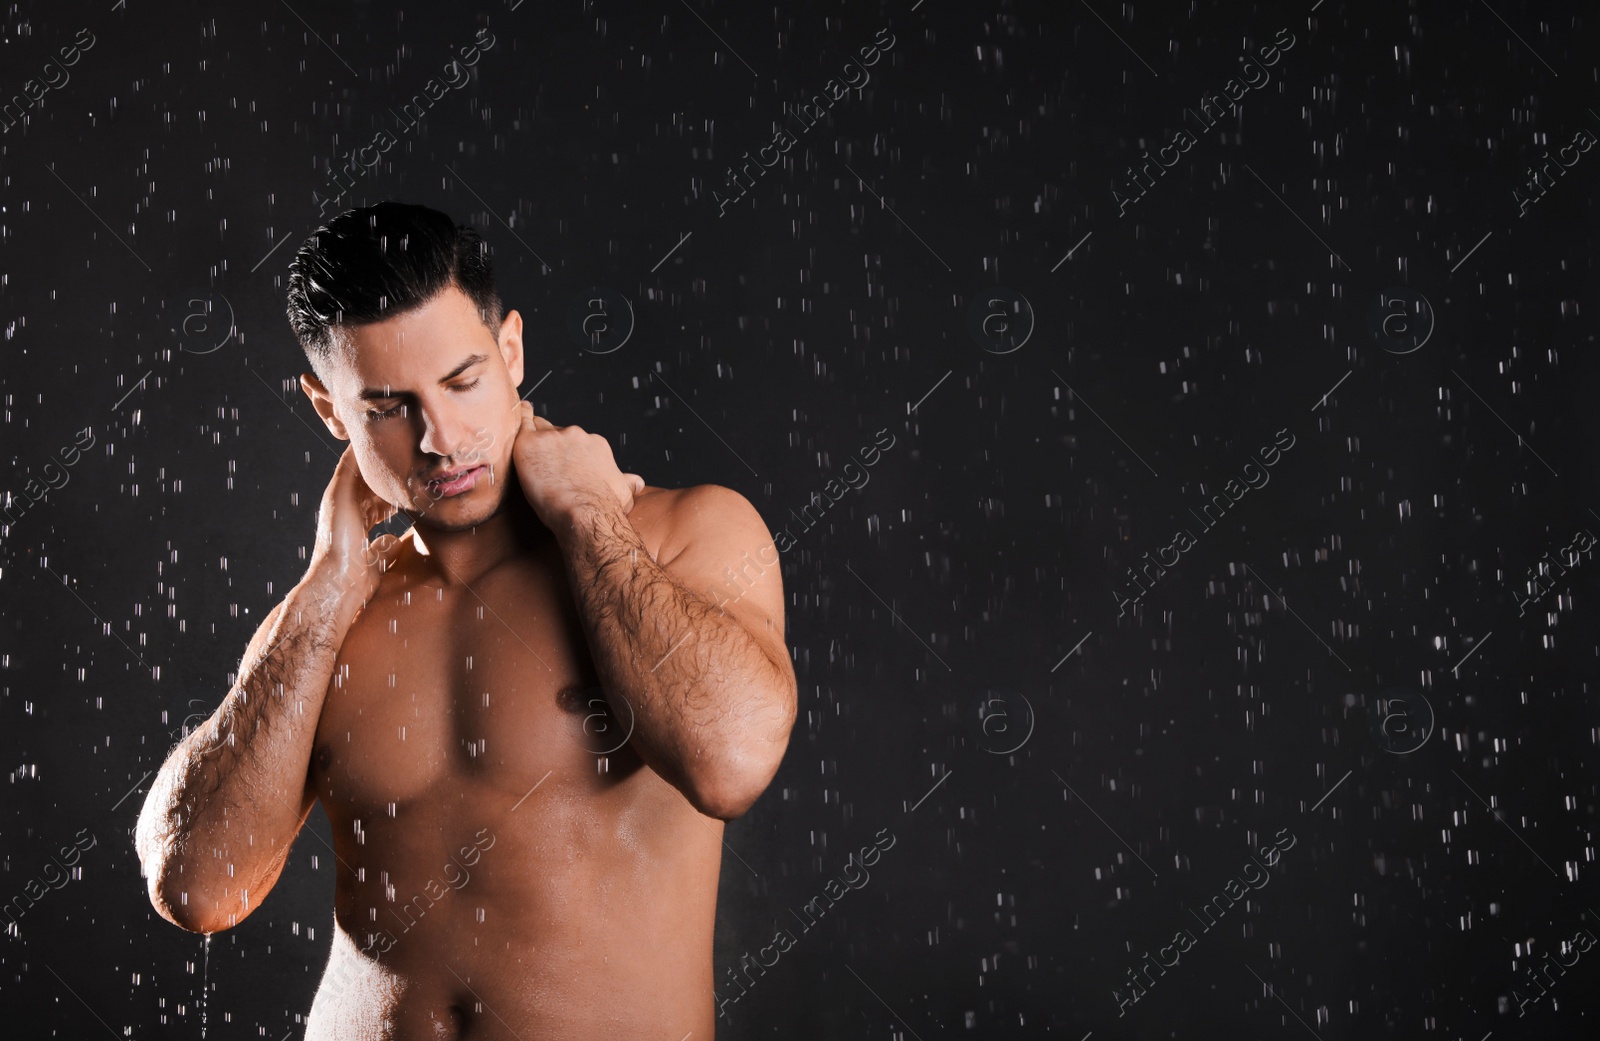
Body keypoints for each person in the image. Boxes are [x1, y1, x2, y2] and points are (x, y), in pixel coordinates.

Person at [132, 201, 797, 1039]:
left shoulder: (678, 534)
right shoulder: (332, 610)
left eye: (462, 381)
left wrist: (590, 518)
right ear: (329, 412)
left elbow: (730, 762)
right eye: (386, 406)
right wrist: (324, 593)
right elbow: (196, 884)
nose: (440, 438)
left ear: (511, 350)